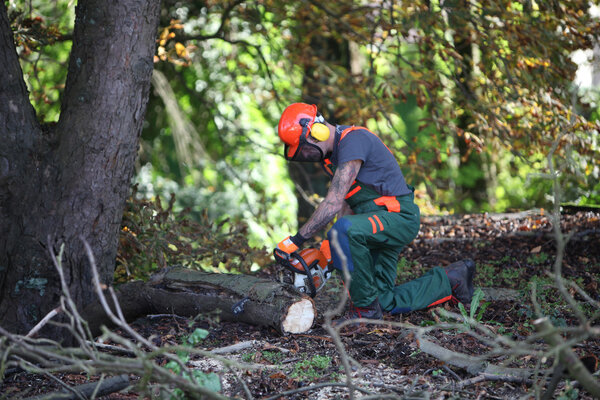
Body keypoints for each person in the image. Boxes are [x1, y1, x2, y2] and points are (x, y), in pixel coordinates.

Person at [274, 103, 475, 324]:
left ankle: (364, 311)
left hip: (398, 218)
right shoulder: (332, 158)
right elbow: (346, 204)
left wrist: (296, 240)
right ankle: (452, 280)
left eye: (304, 148)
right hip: (375, 224)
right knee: (384, 301)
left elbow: (332, 202)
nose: (306, 155)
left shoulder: (353, 141)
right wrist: (332, 248)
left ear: (316, 131)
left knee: (343, 232)